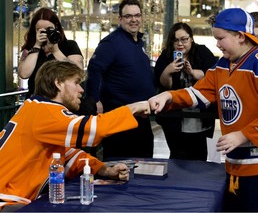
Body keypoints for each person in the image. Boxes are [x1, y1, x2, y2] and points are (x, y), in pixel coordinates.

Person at [148, 8, 258, 212]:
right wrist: (169, 96)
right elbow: (199, 94)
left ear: (241, 36)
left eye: (221, 38)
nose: (217, 44)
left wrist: (242, 135)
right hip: (236, 163)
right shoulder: (223, 65)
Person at [0, 60, 151, 211]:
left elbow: (68, 155)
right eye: (76, 83)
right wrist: (132, 108)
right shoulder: (46, 111)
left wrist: (105, 170)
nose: (81, 90)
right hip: (6, 200)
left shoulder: (37, 108)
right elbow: (95, 129)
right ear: (58, 83)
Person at [86, 0, 156, 159]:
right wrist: (95, 100)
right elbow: (94, 70)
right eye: (128, 16)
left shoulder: (140, 41)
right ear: (120, 19)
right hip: (120, 118)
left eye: (137, 15)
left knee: (144, 166)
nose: (134, 20)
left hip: (142, 118)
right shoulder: (111, 43)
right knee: (118, 167)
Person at [154, 22, 217, 161]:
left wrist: (193, 72)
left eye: (184, 39)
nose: (180, 44)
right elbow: (163, 85)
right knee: (177, 156)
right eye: (175, 40)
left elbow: (214, 76)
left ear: (191, 39)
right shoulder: (166, 56)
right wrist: (168, 71)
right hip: (175, 118)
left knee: (199, 157)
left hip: (200, 117)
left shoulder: (202, 52)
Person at [18, 7, 84, 98]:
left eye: (49, 29)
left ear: (56, 27)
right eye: (40, 30)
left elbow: (78, 73)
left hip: (62, 102)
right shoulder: (31, 48)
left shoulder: (70, 46)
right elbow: (24, 74)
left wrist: (55, 50)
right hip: (36, 101)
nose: (45, 33)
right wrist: (37, 46)